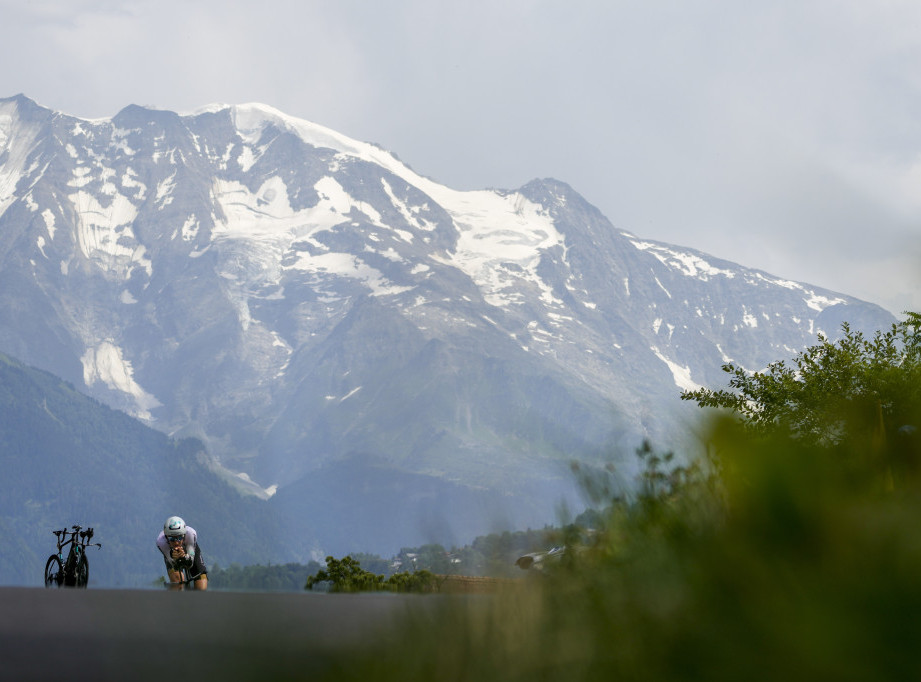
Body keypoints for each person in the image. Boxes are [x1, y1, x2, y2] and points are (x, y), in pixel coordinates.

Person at [156, 516, 209, 590]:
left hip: (190, 549)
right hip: (170, 552)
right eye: (172, 538)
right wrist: (174, 556)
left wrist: (184, 557)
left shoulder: (190, 534)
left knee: (201, 585)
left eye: (179, 537)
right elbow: (172, 562)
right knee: (178, 581)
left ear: (184, 535)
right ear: (166, 537)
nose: (176, 542)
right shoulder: (161, 542)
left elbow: (190, 563)